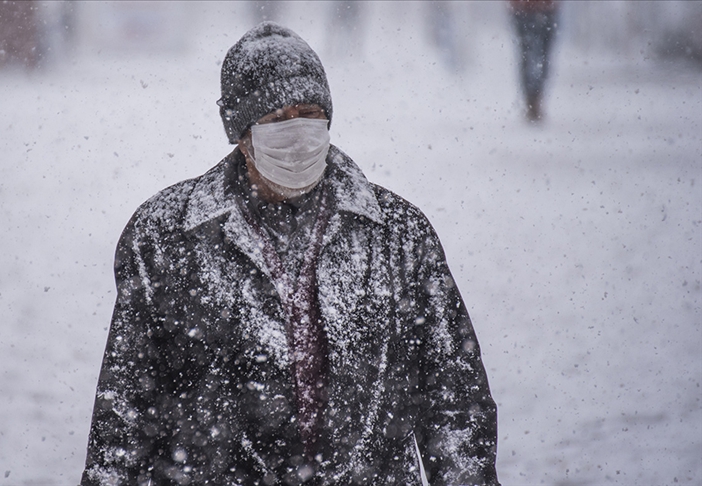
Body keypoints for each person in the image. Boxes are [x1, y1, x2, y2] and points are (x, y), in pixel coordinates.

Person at [81, 22, 499, 486]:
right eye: (277, 118)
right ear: (241, 133)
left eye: (310, 112)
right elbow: (124, 413)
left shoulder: (398, 236)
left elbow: (454, 399)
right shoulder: (165, 239)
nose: (298, 132)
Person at [509, 0, 560, 123]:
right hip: (529, 9)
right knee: (533, 55)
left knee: (535, 55)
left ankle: (534, 98)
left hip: (537, 9)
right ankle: (533, 99)